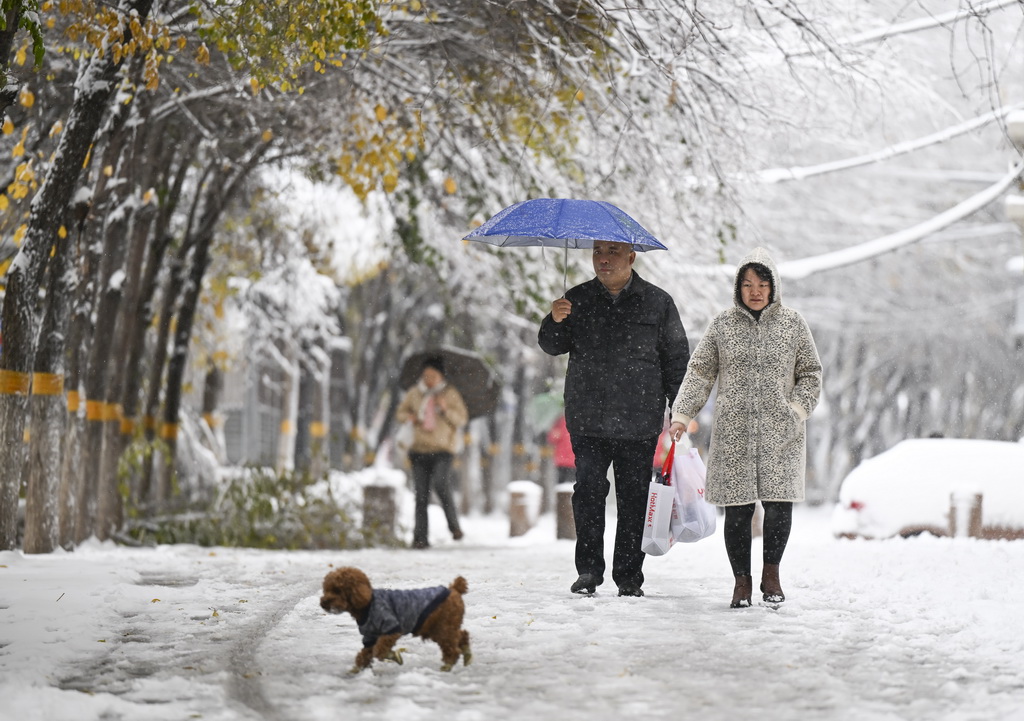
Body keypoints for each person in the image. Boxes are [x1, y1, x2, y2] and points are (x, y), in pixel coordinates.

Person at [669, 247, 821, 608]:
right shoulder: (722, 325)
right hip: (733, 434)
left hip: (781, 434)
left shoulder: (793, 324)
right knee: (737, 511)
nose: (755, 291)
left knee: (778, 506)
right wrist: (681, 414)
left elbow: (811, 374)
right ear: (738, 287)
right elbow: (700, 372)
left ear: (774, 286)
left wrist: (796, 410)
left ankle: (771, 574)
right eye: (748, 284)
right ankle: (742, 582)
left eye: (762, 284)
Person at [538, 239, 690, 597]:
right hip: (588, 418)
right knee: (588, 495)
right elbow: (551, 345)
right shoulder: (576, 299)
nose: (603, 259)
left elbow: (676, 359)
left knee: (634, 499)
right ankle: (589, 571)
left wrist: (680, 410)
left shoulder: (658, 302)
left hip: (639, 419)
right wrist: (554, 319)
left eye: (612, 252)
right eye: (597, 252)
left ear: (631, 257)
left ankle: (629, 577)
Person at [395, 355, 469, 549]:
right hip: (418, 450)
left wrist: (445, 409)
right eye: (425, 375)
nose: (428, 380)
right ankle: (420, 538)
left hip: (443, 450)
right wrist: (409, 417)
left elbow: (461, 419)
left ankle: (454, 526)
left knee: (440, 484)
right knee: (421, 495)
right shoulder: (414, 393)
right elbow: (400, 413)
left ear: (441, 376)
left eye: (433, 376)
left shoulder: (450, 394)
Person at [547, 414, 575, 486]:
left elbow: (552, 437)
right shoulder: (560, 421)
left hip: (565, 460)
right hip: (566, 460)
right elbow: (552, 437)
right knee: (569, 485)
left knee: (564, 485)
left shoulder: (560, 421)